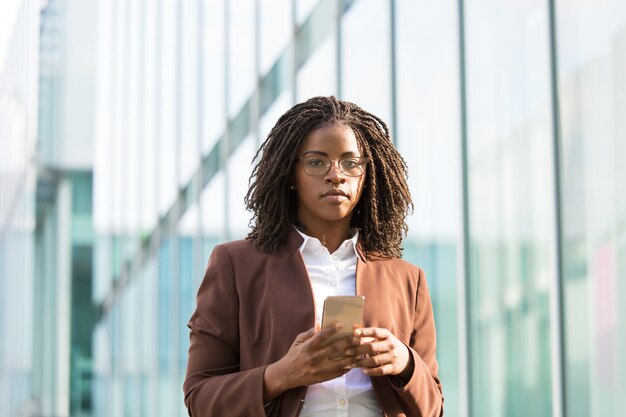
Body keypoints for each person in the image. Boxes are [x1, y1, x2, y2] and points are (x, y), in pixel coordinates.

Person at [183, 96, 443, 416]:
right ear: (290, 175)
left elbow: (434, 407)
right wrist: (281, 375)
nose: (336, 174)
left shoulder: (407, 279)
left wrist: (404, 363)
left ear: (367, 175)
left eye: (351, 162)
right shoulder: (236, 265)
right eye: (317, 162)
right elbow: (200, 398)